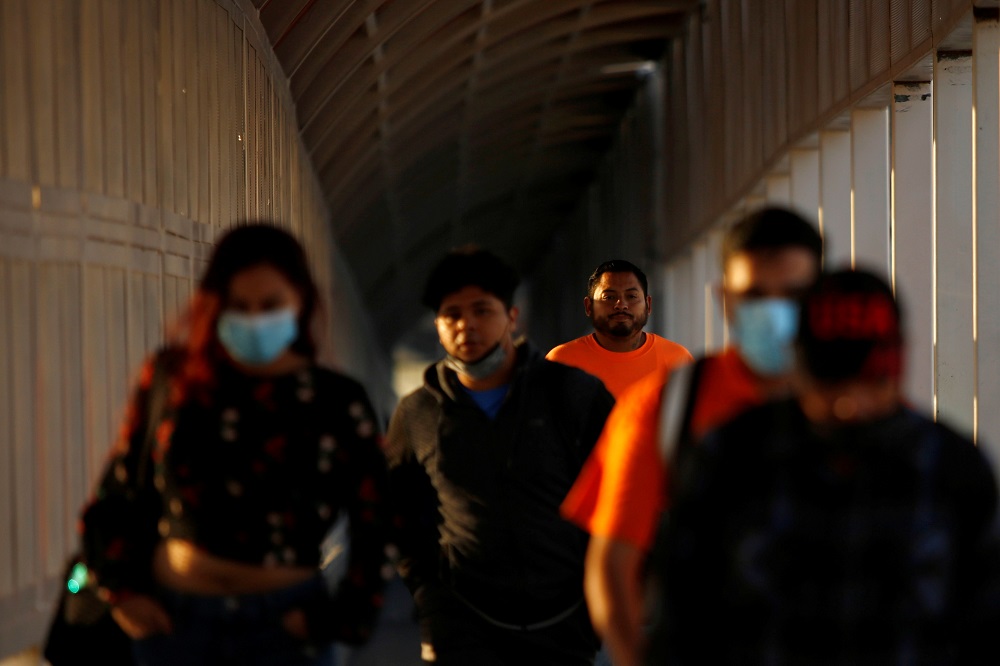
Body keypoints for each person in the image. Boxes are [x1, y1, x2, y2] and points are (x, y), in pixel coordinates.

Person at [645, 268, 1000, 664]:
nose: (849, 406)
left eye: (870, 382)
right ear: (798, 364)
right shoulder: (732, 457)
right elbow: (679, 620)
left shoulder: (954, 471)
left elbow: (985, 629)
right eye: (830, 384)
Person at [79, 223, 389, 665]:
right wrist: (122, 594)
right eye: (239, 306)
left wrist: (337, 618)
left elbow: (374, 518)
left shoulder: (336, 400)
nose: (254, 320)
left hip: (286, 630)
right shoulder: (175, 381)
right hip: (176, 624)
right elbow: (120, 489)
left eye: (270, 305)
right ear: (214, 306)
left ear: (300, 301)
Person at [560, 207, 823, 666]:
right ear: (724, 299)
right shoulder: (668, 407)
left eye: (796, 296)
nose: (776, 313)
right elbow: (612, 564)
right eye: (755, 296)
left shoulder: (854, 398)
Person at [384, 246, 615, 665]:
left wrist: (601, 597)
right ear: (437, 325)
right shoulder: (418, 414)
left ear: (511, 316)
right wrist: (431, 605)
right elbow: (401, 519)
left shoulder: (571, 394)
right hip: (464, 624)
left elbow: (620, 494)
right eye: (451, 314)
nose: (466, 325)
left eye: (482, 310)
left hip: (565, 623)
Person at [546, 259, 692, 399]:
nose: (621, 305)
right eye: (609, 297)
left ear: (648, 304)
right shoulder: (562, 362)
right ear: (589, 306)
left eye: (632, 296)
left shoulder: (677, 361)